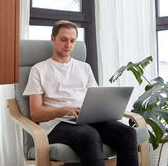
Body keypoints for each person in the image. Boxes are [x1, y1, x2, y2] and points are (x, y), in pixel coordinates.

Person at [23, 20, 139, 166]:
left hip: (87, 119)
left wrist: (105, 109)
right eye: (64, 39)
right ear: (53, 39)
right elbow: (35, 113)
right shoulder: (39, 70)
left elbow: (96, 99)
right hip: (57, 124)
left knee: (128, 133)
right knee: (89, 135)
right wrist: (64, 110)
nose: (68, 45)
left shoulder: (84, 68)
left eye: (72, 41)